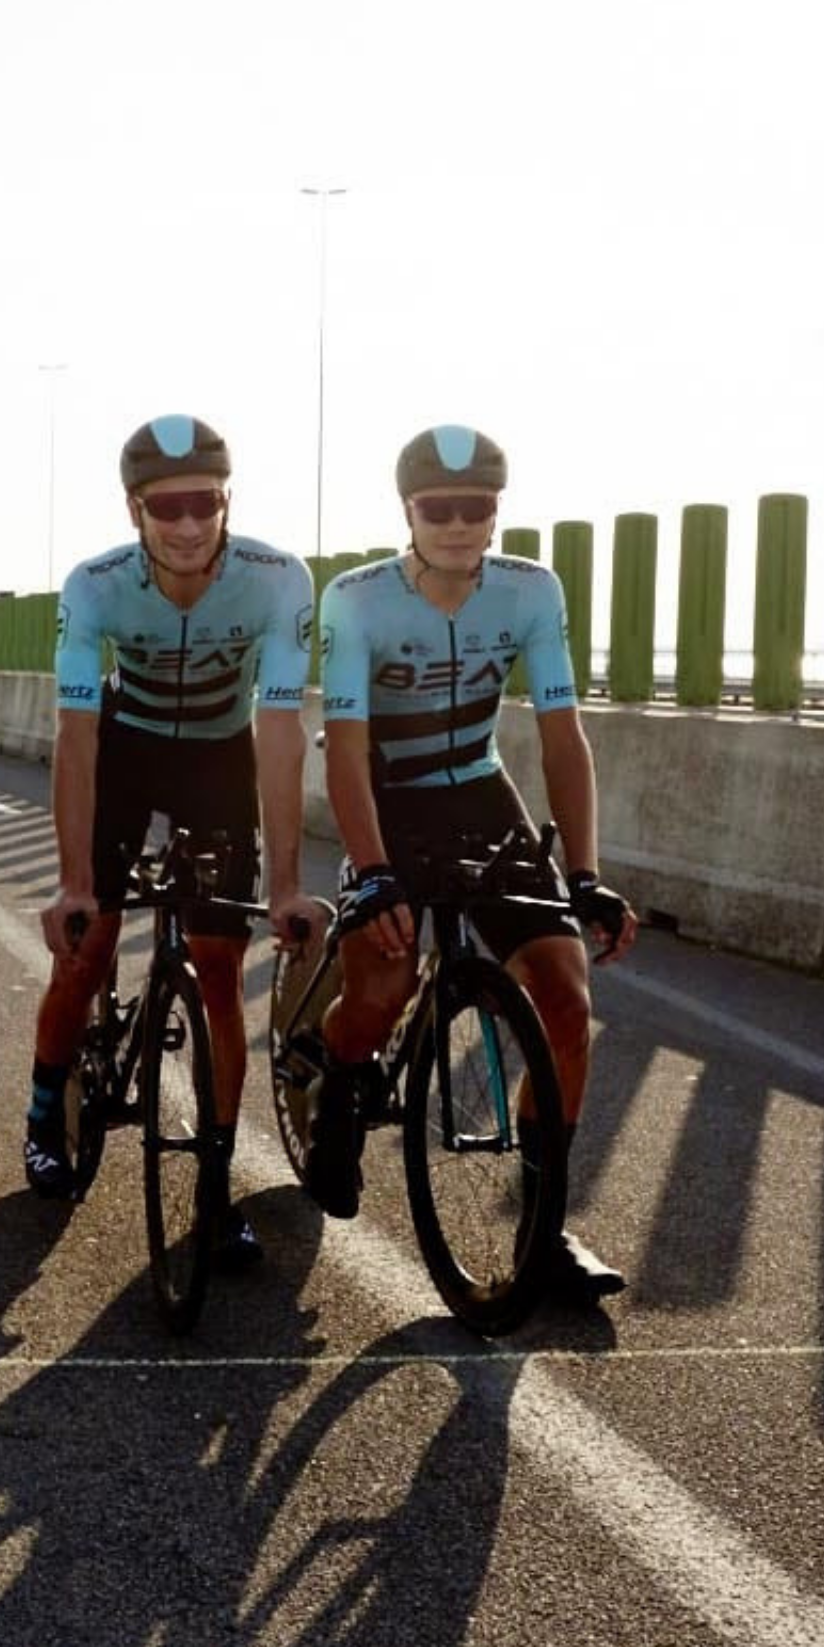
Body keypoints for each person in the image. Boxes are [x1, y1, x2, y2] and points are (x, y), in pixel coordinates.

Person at [309, 423, 640, 1300]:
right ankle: (340, 1089)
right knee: (380, 987)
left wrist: (587, 874)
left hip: (480, 791)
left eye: (477, 508)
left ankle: (545, 1228)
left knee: (566, 1004)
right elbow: (343, 750)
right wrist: (375, 871)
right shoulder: (356, 598)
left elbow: (563, 737)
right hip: (389, 797)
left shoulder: (532, 590)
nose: (458, 524)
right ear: (407, 511)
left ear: (497, 513)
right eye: (438, 508)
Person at [30, 415, 330, 1264]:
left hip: (218, 757)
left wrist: (282, 885)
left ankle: (215, 1184)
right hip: (125, 749)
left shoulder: (278, 579)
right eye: (170, 508)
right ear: (136, 511)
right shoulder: (95, 585)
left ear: (228, 500)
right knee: (84, 954)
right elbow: (77, 734)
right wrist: (74, 881)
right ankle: (46, 1111)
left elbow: (279, 730)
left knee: (222, 970)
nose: (190, 523)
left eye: (206, 503)